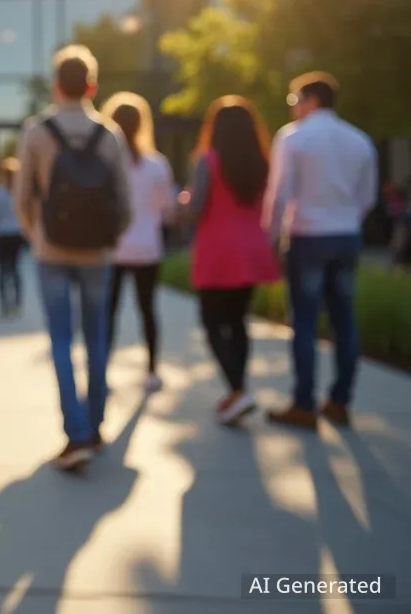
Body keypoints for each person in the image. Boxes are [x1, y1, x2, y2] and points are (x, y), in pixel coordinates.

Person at [14, 45, 131, 472]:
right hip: (96, 253)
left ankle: (75, 432)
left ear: (55, 84)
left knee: (61, 342)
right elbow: (124, 200)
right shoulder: (109, 133)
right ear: (92, 86)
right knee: (96, 340)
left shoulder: (37, 131)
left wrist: (38, 235)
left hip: (52, 251)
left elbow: (22, 197)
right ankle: (95, 425)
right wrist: (108, 239)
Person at [264, 72, 378, 430]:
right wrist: (346, 219)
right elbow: (367, 197)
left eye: (295, 100)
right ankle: (340, 400)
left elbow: (280, 193)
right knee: (345, 319)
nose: (294, 108)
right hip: (346, 234)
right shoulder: (359, 141)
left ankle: (304, 402)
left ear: (311, 99)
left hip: (308, 236)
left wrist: (271, 237)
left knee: (305, 323)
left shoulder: (294, 138)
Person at [185, 96, 280, 427]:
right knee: (238, 321)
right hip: (252, 249)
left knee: (212, 322)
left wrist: (180, 203)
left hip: (217, 250)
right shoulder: (262, 163)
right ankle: (238, 390)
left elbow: (195, 207)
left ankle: (238, 391)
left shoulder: (207, 161)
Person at [102, 92, 175, 393]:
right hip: (147, 248)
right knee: (148, 311)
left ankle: (101, 370)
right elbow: (168, 210)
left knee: (108, 313)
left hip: (113, 249)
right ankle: (153, 370)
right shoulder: (157, 165)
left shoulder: (105, 164)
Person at [0, 158, 25, 316]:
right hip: (16, 233)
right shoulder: (20, 191)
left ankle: (4, 304)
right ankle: (16, 303)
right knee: (14, 269)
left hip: (2, 235)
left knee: (2, 270)